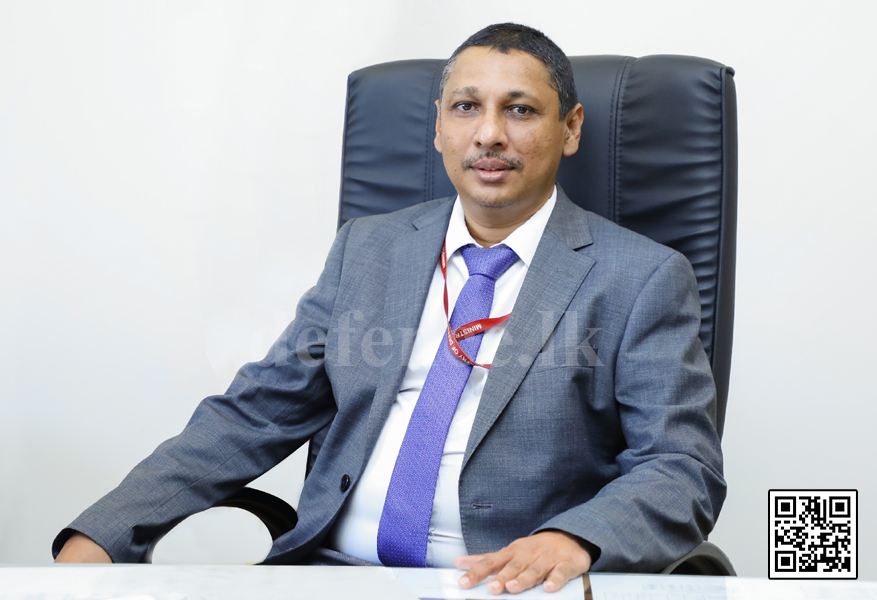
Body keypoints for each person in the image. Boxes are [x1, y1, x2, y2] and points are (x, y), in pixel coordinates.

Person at [54, 23, 725, 595]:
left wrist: (574, 538)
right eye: (466, 107)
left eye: (520, 110)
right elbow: (254, 412)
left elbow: (681, 467)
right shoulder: (368, 250)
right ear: (438, 127)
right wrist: (104, 531)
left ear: (571, 128)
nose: (488, 133)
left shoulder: (641, 278)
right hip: (327, 576)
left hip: (501, 585)